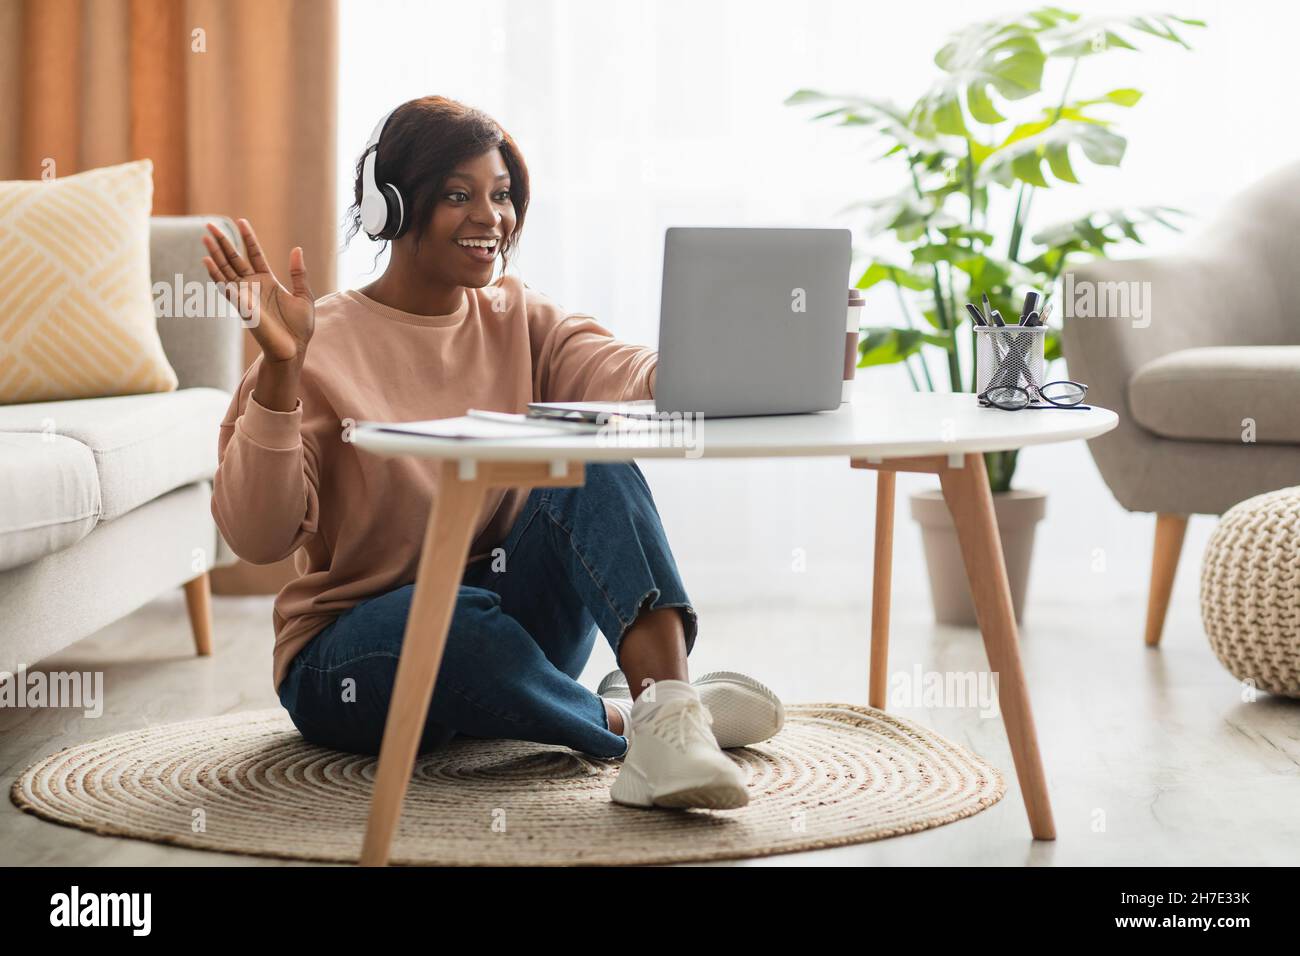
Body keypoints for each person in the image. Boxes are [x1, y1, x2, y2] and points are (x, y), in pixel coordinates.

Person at [204, 95, 783, 810]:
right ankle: (632, 725)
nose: (491, 218)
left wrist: (705, 364)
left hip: (514, 634)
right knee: (440, 615)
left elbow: (616, 368)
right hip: (356, 655)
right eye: (458, 195)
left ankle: (670, 711)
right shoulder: (314, 343)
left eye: (502, 196)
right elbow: (255, 537)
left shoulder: (517, 314)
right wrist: (282, 372)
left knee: (593, 458)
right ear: (390, 207)